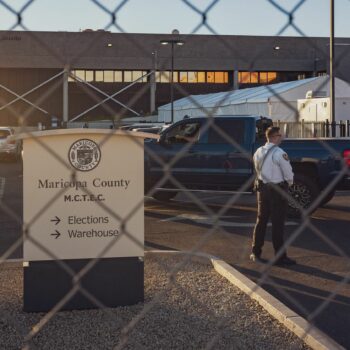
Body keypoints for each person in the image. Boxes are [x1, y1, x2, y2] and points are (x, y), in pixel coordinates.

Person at [250, 126, 296, 266]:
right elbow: (288, 173)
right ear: (275, 136)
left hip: (262, 190)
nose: (281, 137)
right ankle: (280, 257)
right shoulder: (279, 152)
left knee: (261, 221)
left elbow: (256, 168)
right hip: (277, 191)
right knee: (277, 224)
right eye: (279, 135)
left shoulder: (258, 151)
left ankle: (255, 252)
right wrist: (290, 183)